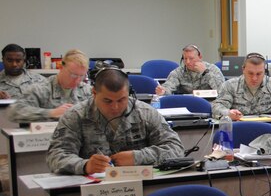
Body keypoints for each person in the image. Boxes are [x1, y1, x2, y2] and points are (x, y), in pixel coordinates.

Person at [46, 66, 184, 175]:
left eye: (121, 100)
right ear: (94, 93)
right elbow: (56, 156)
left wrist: (138, 157)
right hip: (93, 191)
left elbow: (176, 149)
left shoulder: (145, 113)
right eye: (107, 101)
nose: (115, 107)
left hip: (140, 183)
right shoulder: (75, 116)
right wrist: (85, 165)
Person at [211, 53, 271, 127]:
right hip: (240, 129)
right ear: (243, 69)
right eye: (250, 73)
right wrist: (228, 113)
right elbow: (216, 107)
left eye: (259, 74)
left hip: (270, 130)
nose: (254, 78)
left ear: (264, 71)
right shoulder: (230, 85)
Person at [9, 49, 91, 123]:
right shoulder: (41, 89)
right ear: (62, 68)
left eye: (81, 76)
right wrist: (51, 113)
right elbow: (15, 112)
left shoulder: (87, 91)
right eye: (73, 75)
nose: (77, 80)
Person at [155, 44, 225, 95]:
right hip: (187, 103)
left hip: (209, 103)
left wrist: (205, 72)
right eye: (185, 59)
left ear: (200, 57)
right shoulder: (179, 72)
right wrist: (163, 91)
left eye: (191, 58)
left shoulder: (212, 69)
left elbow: (222, 91)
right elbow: (169, 86)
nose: (187, 62)